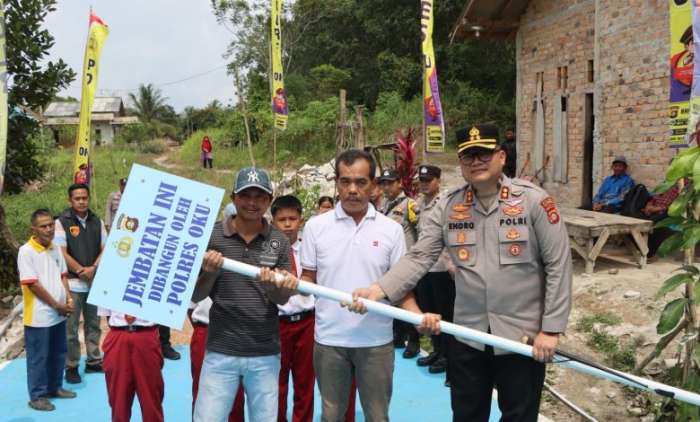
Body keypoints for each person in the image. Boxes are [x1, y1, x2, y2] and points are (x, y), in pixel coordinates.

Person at [349, 124, 573, 422]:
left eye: (484, 154)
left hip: (521, 337)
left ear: (502, 157)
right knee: (466, 415)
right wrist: (377, 290)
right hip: (468, 335)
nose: (476, 162)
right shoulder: (449, 206)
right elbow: (420, 256)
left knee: (519, 415)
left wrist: (551, 329)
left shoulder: (534, 201)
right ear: (460, 163)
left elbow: (559, 264)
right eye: (468, 156)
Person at [298, 149, 438, 421]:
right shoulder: (316, 227)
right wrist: (285, 285)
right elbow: (308, 279)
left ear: (373, 185)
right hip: (329, 342)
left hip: (376, 343)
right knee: (331, 416)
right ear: (336, 183)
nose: (352, 189)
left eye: (361, 182)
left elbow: (400, 287)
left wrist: (417, 317)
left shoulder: (391, 229)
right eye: (345, 182)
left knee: (377, 416)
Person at [192, 166, 296, 422]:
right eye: (245, 195)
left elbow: (282, 299)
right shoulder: (211, 235)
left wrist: (271, 286)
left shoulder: (279, 241)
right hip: (220, 351)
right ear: (233, 197)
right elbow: (196, 295)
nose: (252, 202)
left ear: (269, 201)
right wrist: (210, 273)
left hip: (264, 354)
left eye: (259, 196)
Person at [271, 195, 358, 422]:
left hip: (308, 323)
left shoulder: (312, 250)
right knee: (276, 384)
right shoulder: (265, 252)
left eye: (292, 219)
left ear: (301, 220)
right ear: (273, 222)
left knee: (305, 382)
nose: (288, 224)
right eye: (282, 220)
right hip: (275, 324)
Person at [18, 209, 77, 412]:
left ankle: (54, 387)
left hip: (58, 313)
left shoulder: (55, 248)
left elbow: (63, 276)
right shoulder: (26, 251)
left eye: (51, 224)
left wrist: (68, 299)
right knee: (38, 357)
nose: (49, 229)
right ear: (33, 229)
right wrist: (57, 305)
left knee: (58, 352)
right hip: (39, 317)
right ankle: (37, 396)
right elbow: (32, 284)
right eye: (43, 226)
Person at [54, 183, 106, 384]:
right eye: (77, 198)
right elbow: (61, 252)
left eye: (85, 198)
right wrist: (80, 270)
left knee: (94, 325)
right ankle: (72, 365)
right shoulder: (61, 222)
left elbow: (105, 248)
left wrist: (93, 268)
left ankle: (94, 360)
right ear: (70, 200)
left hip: (94, 281)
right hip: (73, 284)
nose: (82, 201)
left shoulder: (97, 221)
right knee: (71, 328)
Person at [413, 164, 455, 376]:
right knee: (429, 311)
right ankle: (437, 351)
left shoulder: (445, 202)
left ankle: (448, 356)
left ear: (439, 181)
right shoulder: (419, 204)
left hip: (441, 268)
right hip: (424, 268)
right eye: (421, 181)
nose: (424, 184)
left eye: (428, 180)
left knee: (445, 315)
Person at [378, 168, 420, 358]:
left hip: (407, 262)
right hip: (390, 263)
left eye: (390, 183)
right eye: (383, 183)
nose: (386, 187)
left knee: (408, 300)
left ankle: (414, 340)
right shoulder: (383, 206)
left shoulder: (410, 204)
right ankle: (399, 334)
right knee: (393, 300)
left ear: (399, 183)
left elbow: (421, 231)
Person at [99, 308, 164, 422]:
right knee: (118, 399)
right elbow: (107, 314)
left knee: (151, 398)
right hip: (118, 335)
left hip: (146, 335)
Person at [190, 298, 245, 422]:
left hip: (235, 331)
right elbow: (190, 307)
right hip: (205, 330)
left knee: (236, 394)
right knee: (202, 392)